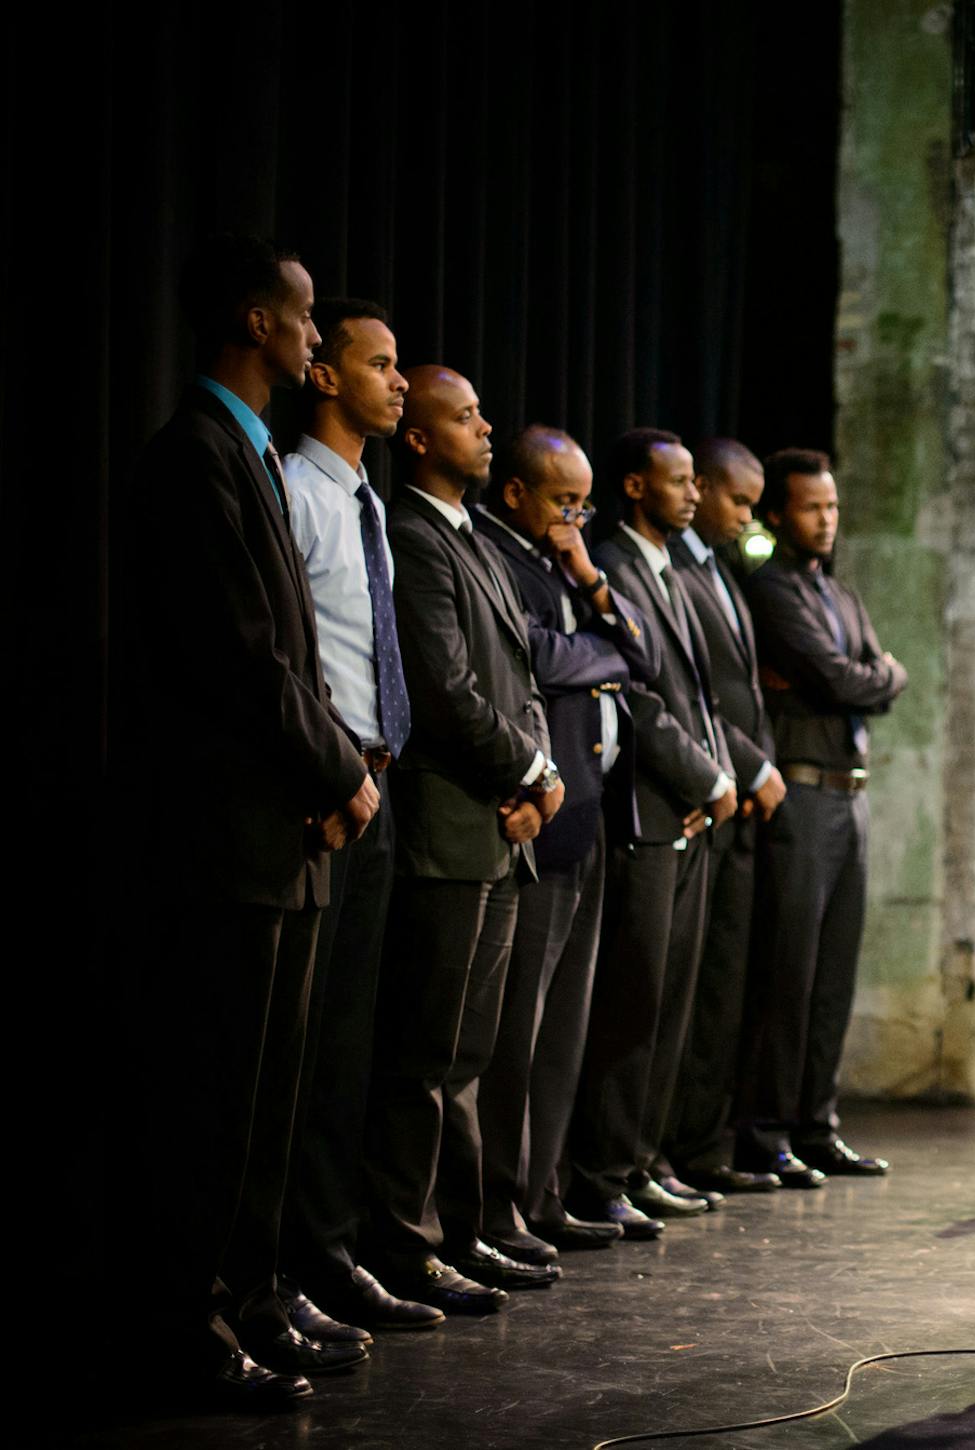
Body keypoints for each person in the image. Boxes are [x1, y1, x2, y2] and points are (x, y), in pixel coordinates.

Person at [124, 235, 375, 1404]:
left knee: (274, 1096)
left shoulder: (256, 450)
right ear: (251, 320)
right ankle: (188, 1322)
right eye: (302, 315)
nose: (314, 335)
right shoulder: (195, 454)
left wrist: (326, 781)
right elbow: (244, 659)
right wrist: (342, 771)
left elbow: (304, 653)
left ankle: (257, 1294)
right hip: (231, 833)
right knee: (216, 1098)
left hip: (290, 833)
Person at [366, 366, 564, 1311]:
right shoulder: (413, 534)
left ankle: (467, 1228)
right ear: (418, 439)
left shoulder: (475, 538)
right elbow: (443, 691)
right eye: (466, 417)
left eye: (486, 413)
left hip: (500, 826)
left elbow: (520, 677)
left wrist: (545, 775)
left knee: (472, 1053)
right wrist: (527, 773)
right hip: (451, 825)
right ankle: (406, 1245)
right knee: (426, 1055)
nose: (486, 429)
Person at [277, 298, 447, 1339]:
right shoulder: (295, 491)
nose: (396, 379)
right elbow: (289, 660)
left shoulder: (368, 506)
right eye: (377, 364)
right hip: (319, 795)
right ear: (326, 377)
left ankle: (334, 1258)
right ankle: (281, 1269)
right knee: (296, 1054)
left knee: (351, 1047)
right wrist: (333, 771)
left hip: (381, 790)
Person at [473, 426, 658, 1257]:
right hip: (536, 823)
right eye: (561, 502)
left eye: (585, 505)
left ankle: (544, 1196)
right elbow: (537, 659)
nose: (574, 520)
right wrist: (599, 655)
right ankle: (500, 1206)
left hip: (584, 816)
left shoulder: (563, 566)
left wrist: (587, 576)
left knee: (562, 1035)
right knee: (518, 1032)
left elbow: (637, 654)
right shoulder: (492, 556)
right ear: (516, 494)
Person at [568, 429, 737, 1234]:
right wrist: (704, 776)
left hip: (687, 809)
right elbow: (639, 695)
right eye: (678, 482)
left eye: (695, 483)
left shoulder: (670, 569)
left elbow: (696, 695)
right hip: (643, 805)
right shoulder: (616, 563)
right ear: (635, 487)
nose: (694, 495)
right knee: (632, 1000)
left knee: (670, 998)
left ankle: (642, 1159)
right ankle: (602, 1172)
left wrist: (711, 778)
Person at [738, 448, 907, 1184]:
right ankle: (767, 1128)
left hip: (851, 792)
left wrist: (871, 678)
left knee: (835, 971)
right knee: (790, 972)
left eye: (832, 507)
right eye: (812, 507)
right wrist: (870, 677)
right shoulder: (770, 589)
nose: (826, 519)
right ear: (777, 514)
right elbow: (843, 676)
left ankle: (817, 1124)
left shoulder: (839, 595)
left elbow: (880, 676)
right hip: (802, 794)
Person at [663, 439, 786, 1197]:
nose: (747, 519)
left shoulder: (723, 571)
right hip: (700, 795)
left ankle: (704, 1144)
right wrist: (748, 765)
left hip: (733, 800)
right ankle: (677, 1146)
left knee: (723, 990)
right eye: (738, 502)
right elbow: (686, 700)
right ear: (700, 488)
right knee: (690, 988)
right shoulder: (671, 570)